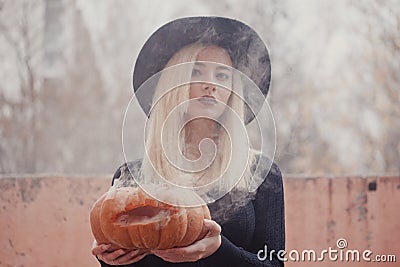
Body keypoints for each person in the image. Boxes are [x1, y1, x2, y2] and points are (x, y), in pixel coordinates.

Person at [92, 16, 285, 267]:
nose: (210, 84)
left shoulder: (262, 174)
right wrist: (110, 258)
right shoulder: (132, 176)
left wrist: (218, 249)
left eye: (222, 75)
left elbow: (274, 265)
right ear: (174, 83)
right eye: (196, 71)